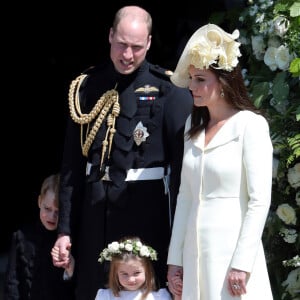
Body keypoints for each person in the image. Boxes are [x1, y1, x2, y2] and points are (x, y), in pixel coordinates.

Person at [52, 5, 193, 300]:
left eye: (137, 47)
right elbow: (72, 167)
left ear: (150, 43)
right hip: (95, 217)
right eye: (122, 44)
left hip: (146, 215)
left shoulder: (168, 90)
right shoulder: (86, 88)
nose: (127, 55)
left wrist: (182, 244)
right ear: (110, 36)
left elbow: (183, 171)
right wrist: (65, 230)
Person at [166, 23, 274, 299]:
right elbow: (185, 198)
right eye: (191, 78)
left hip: (232, 257)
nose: (192, 86)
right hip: (194, 255)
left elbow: (259, 200)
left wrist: (242, 263)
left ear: (224, 81)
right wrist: (174, 261)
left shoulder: (250, 125)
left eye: (200, 79)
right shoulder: (193, 126)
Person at [4, 173, 75, 300]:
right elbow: (12, 282)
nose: (52, 216)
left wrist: (70, 271)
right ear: (39, 201)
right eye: (47, 209)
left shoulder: (70, 242)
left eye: (58, 212)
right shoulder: (21, 236)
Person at [95, 236, 172, 300]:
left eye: (136, 273)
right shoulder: (105, 296)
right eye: (124, 274)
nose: (131, 279)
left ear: (147, 271)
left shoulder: (159, 297)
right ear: (115, 273)